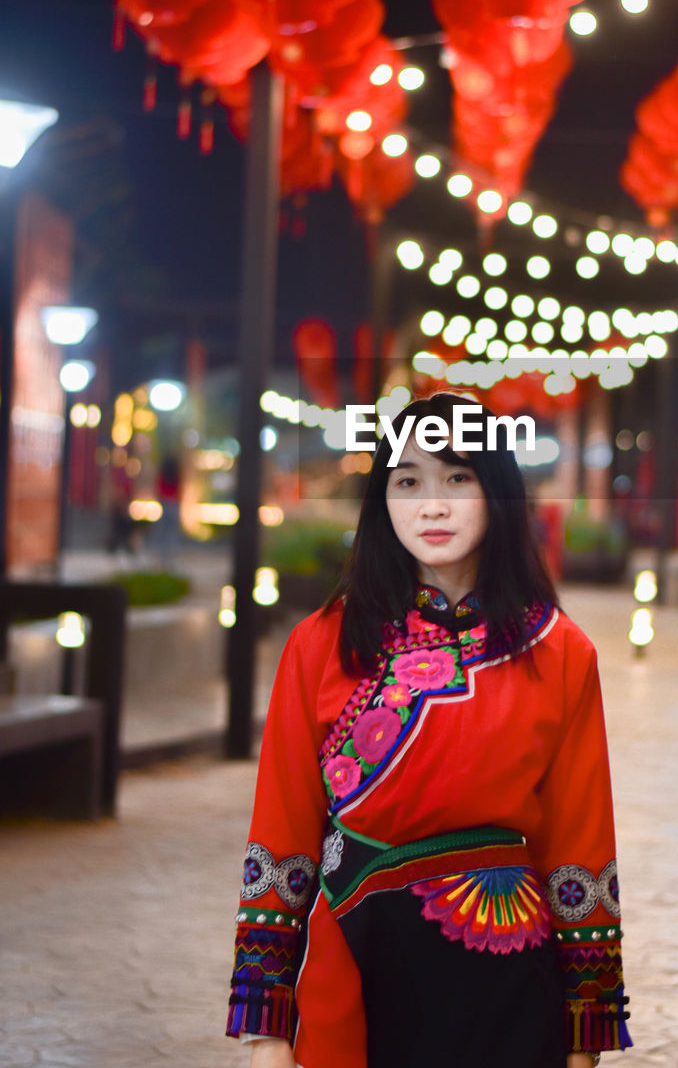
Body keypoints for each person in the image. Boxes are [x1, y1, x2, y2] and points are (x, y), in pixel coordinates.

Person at [226, 393, 631, 1068]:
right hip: (351, 968)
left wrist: (585, 1034)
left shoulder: (560, 652)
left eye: (457, 478)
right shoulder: (321, 644)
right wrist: (265, 1024)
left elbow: (580, 848)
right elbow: (282, 835)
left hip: (503, 982)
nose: (431, 506)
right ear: (381, 500)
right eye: (407, 481)